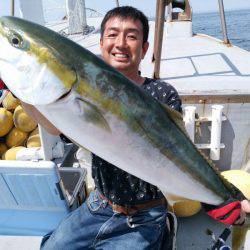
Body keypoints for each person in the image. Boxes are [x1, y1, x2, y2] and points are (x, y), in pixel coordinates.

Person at [20, 6, 250, 250]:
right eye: (112, 34)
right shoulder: (88, 92)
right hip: (99, 205)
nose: (120, 43)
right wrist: (21, 89)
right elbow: (55, 129)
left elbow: (178, 156)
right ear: (101, 43)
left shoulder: (160, 93)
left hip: (144, 216)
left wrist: (219, 198)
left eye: (131, 36)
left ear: (144, 48)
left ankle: (165, 228)